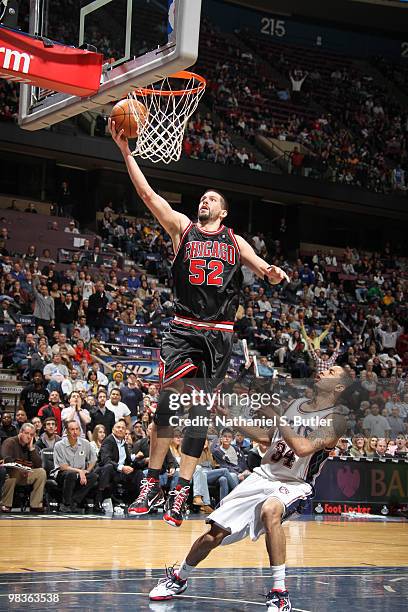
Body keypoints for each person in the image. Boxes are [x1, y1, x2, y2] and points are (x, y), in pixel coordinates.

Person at [109, 119, 289, 527]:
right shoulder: (182, 229)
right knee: (170, 404)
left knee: (198, 415)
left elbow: (263, 268)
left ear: (223, 211)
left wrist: (273, 273)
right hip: (184, 328)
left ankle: (180, 491)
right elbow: (147, 194)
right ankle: (152, 480)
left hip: (220, 337)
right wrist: (126, 152)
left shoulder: (234, 241)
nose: (204, 201)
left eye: (211, 199)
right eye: (202, 198)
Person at [149, 365, 350, 610]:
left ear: (339, 387)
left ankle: (279, 593)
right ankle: (179, 578)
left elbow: (303, 448)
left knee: (271, 511)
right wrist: (229, 417)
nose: (322, 371)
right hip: (262, 476)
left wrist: (276, 416)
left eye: (331, 372)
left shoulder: (336, 419)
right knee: (214, 534)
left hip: (294, 484)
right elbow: (268, 437)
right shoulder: (296, 404)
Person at [52, 420, 98, 513]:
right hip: (63, 474)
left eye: (77, 429)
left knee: (93, 476)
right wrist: (79, 471)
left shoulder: (85, 443)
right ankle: (66, 504)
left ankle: (74, 502)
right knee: (71, 474)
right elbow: (63, 466)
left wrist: (86, 471)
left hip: (79, 474)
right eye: (72, 429)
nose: (75, 432)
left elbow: (93, 459)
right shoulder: (59, 445)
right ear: (66, 431)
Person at [95, 420, 143, 506]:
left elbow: (129, 461)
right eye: (118, 427)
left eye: (123, 428)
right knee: (108, 467)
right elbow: (105, 460)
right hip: (109, 470)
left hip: (120, 471)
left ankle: (138, 501)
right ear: (113, 430)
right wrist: (122, 468)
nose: (120, 429)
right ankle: (101, 499)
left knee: (138, 473)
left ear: (125, 431)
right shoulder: (108, 441)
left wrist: (138, 464)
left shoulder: (123, 443)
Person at [0, 423, 47, 513]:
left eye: (32, 435)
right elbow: (7, 460)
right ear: (20, 432)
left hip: (25, 474)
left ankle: (35, 505)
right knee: (12, 473)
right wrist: (22, 467)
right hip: (10, 473)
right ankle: (5, 504)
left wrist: (31, 449)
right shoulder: (10, 442)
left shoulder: (30, 446)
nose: (29, 436)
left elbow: (38, 464)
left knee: (41, 472)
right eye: (27, 433)